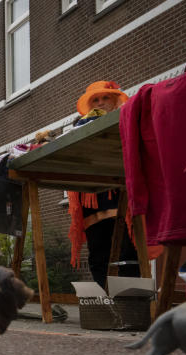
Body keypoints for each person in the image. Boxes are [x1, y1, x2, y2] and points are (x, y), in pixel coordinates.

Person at [66, 80, 138, 289]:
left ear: (115, 100)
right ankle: (105, 304)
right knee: (98, 253)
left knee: (127, 252)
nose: (100, 102)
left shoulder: (127, 119)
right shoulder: (81, 127)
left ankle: (132, 304)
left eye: (105, 98)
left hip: (121, 196)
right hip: (92, 201)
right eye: (95, 100)